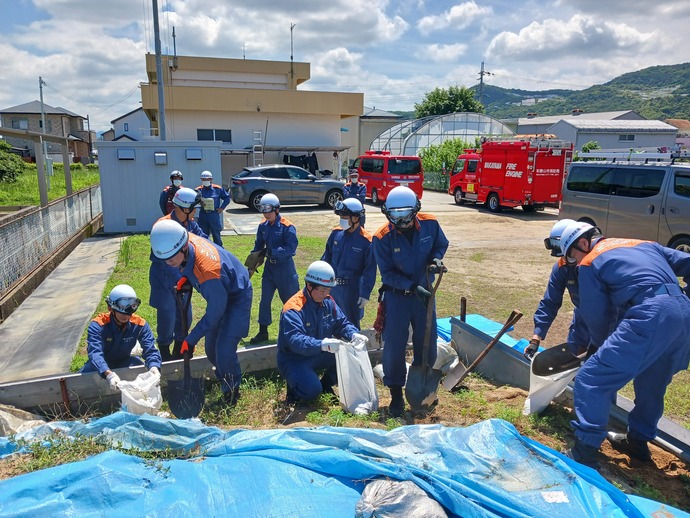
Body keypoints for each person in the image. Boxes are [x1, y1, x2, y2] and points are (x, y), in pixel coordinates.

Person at [559, 221, 690, 469]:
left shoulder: (590, 260)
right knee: (652, 382)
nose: (574, 262)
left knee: (592, 379)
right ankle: (638, 443)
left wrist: (598, 351)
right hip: (684, 314)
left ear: (583, 243)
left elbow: (597, 316)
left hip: (651, 314)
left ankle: (584, 453)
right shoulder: (643, 244)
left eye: (572, 255)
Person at [150, 219, 253, 405]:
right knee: (211, 349)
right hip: (221, 291)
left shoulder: (208, 272)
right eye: (165, 259)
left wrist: (190, 339)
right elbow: (188, 265)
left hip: (237, 296)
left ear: (182, 247)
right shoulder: (186, 241)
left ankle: (232, 392)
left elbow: (216, 311)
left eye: (172, 258)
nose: (169, 263)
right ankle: (223, 377)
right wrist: (186, 278)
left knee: (224, 349)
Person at [371, 186, 449, 417]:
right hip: (398, 298)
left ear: (415, 210)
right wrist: (413, 287)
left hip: (425, 298)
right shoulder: (381, 237)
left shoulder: (431, 224)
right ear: (387, 213)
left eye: (405, 214)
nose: (401, 220)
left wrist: (435, 259)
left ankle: (422, 387)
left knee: (427, 341)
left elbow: (440, 244)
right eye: (395, 215)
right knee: (394, 346)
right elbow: (387, 274)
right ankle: (395, 393)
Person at [277, 260, 364, 402]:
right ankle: (295, 388)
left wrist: (354, 334)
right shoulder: (294, 308)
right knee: (311, 391)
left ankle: (325, 384)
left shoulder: (328, 302)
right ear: (309, 285)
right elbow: (295, 341)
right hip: (294, 358)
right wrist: (322, 345)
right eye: (323, 290)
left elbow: (341, 323)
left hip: (319, 353)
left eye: (328, 290)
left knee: (348, 355)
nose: (326, 294)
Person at [149, 187, 208, 361]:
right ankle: (165, 351)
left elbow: (203, 240)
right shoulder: (163, 226)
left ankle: (178, 348)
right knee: (167, 314)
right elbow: (163, 257)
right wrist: (181, 276)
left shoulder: (190, 223)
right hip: (164, 275)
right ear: (185, 208)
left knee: (185, 316)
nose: (196, 211)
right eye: (194, 207)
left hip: (183, 276)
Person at [524, 218, 590, 360]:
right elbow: (550, 302)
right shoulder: (561, 268)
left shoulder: (596, 263)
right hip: (581, 320)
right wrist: (536, 338)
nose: (565, 259)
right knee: (573, 360)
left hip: (606, 319)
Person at [80, 285, 162, 390]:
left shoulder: (140, 324)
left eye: (131, 308)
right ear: (110, 307)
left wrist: (154, 367)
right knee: (80, 382)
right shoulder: (98, 325)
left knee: (140, 368)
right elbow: (95, 353)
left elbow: (150, 349)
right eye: (122, 308)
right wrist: (108, 374)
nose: (126, 315)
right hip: (99, 365)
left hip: (125, 361)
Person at [248, 193, 300, 344]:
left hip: (285, 270)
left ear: (276, 209)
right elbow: (258, 246)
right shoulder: (263, 226)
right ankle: (262, 331)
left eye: (268, 209)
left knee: (290, 301)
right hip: (270, 269)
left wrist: (273, 252)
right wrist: (252, 264)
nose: (266, 213)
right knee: (265, 300)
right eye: (262, 209)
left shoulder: (287, 227)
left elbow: (291, 248)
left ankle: (294, 330)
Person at [321, 198, 376, 329]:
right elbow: (326, 258)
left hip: (352, 291)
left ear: (356, 217)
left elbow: (370, 270)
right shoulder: (336, 234)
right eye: (341, 216)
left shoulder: (366, 241)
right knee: (330, 322)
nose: (342, 219)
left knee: (351, 326)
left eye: (345, 216)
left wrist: (365, 293)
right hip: (333, 288)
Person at [196, 170, 230, 247]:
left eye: (208, 179)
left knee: (216, 235)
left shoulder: (217, 189)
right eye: (204, 180)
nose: (206, 181)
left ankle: (220, 252)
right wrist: (199, 202)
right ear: (201, 180)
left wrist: (222, 208)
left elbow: (227, 198)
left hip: (214, 215)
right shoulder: (198, 190)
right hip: (203, 215)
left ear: (211, 179)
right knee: (203, 235)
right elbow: (194, 200)